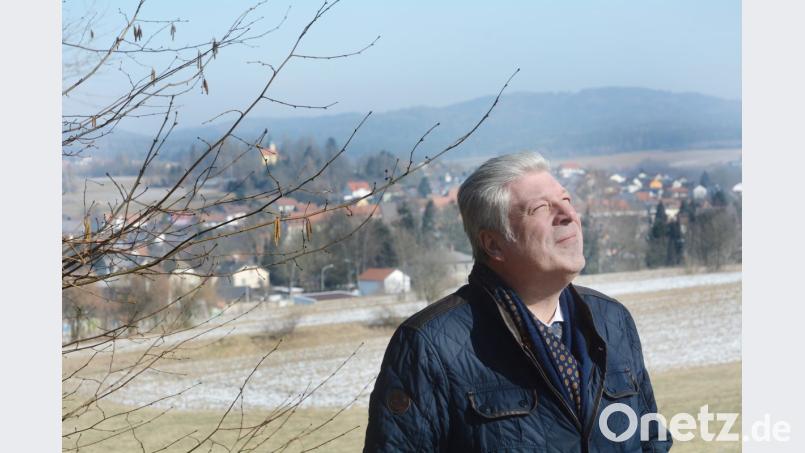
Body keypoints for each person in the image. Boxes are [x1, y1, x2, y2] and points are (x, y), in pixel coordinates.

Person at [364, 152, 672, 452]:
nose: (567, 215)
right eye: (540, 208)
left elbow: (650, 442)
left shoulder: (612, 320)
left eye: (566, 200)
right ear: (494, 244)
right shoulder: (429, 346)